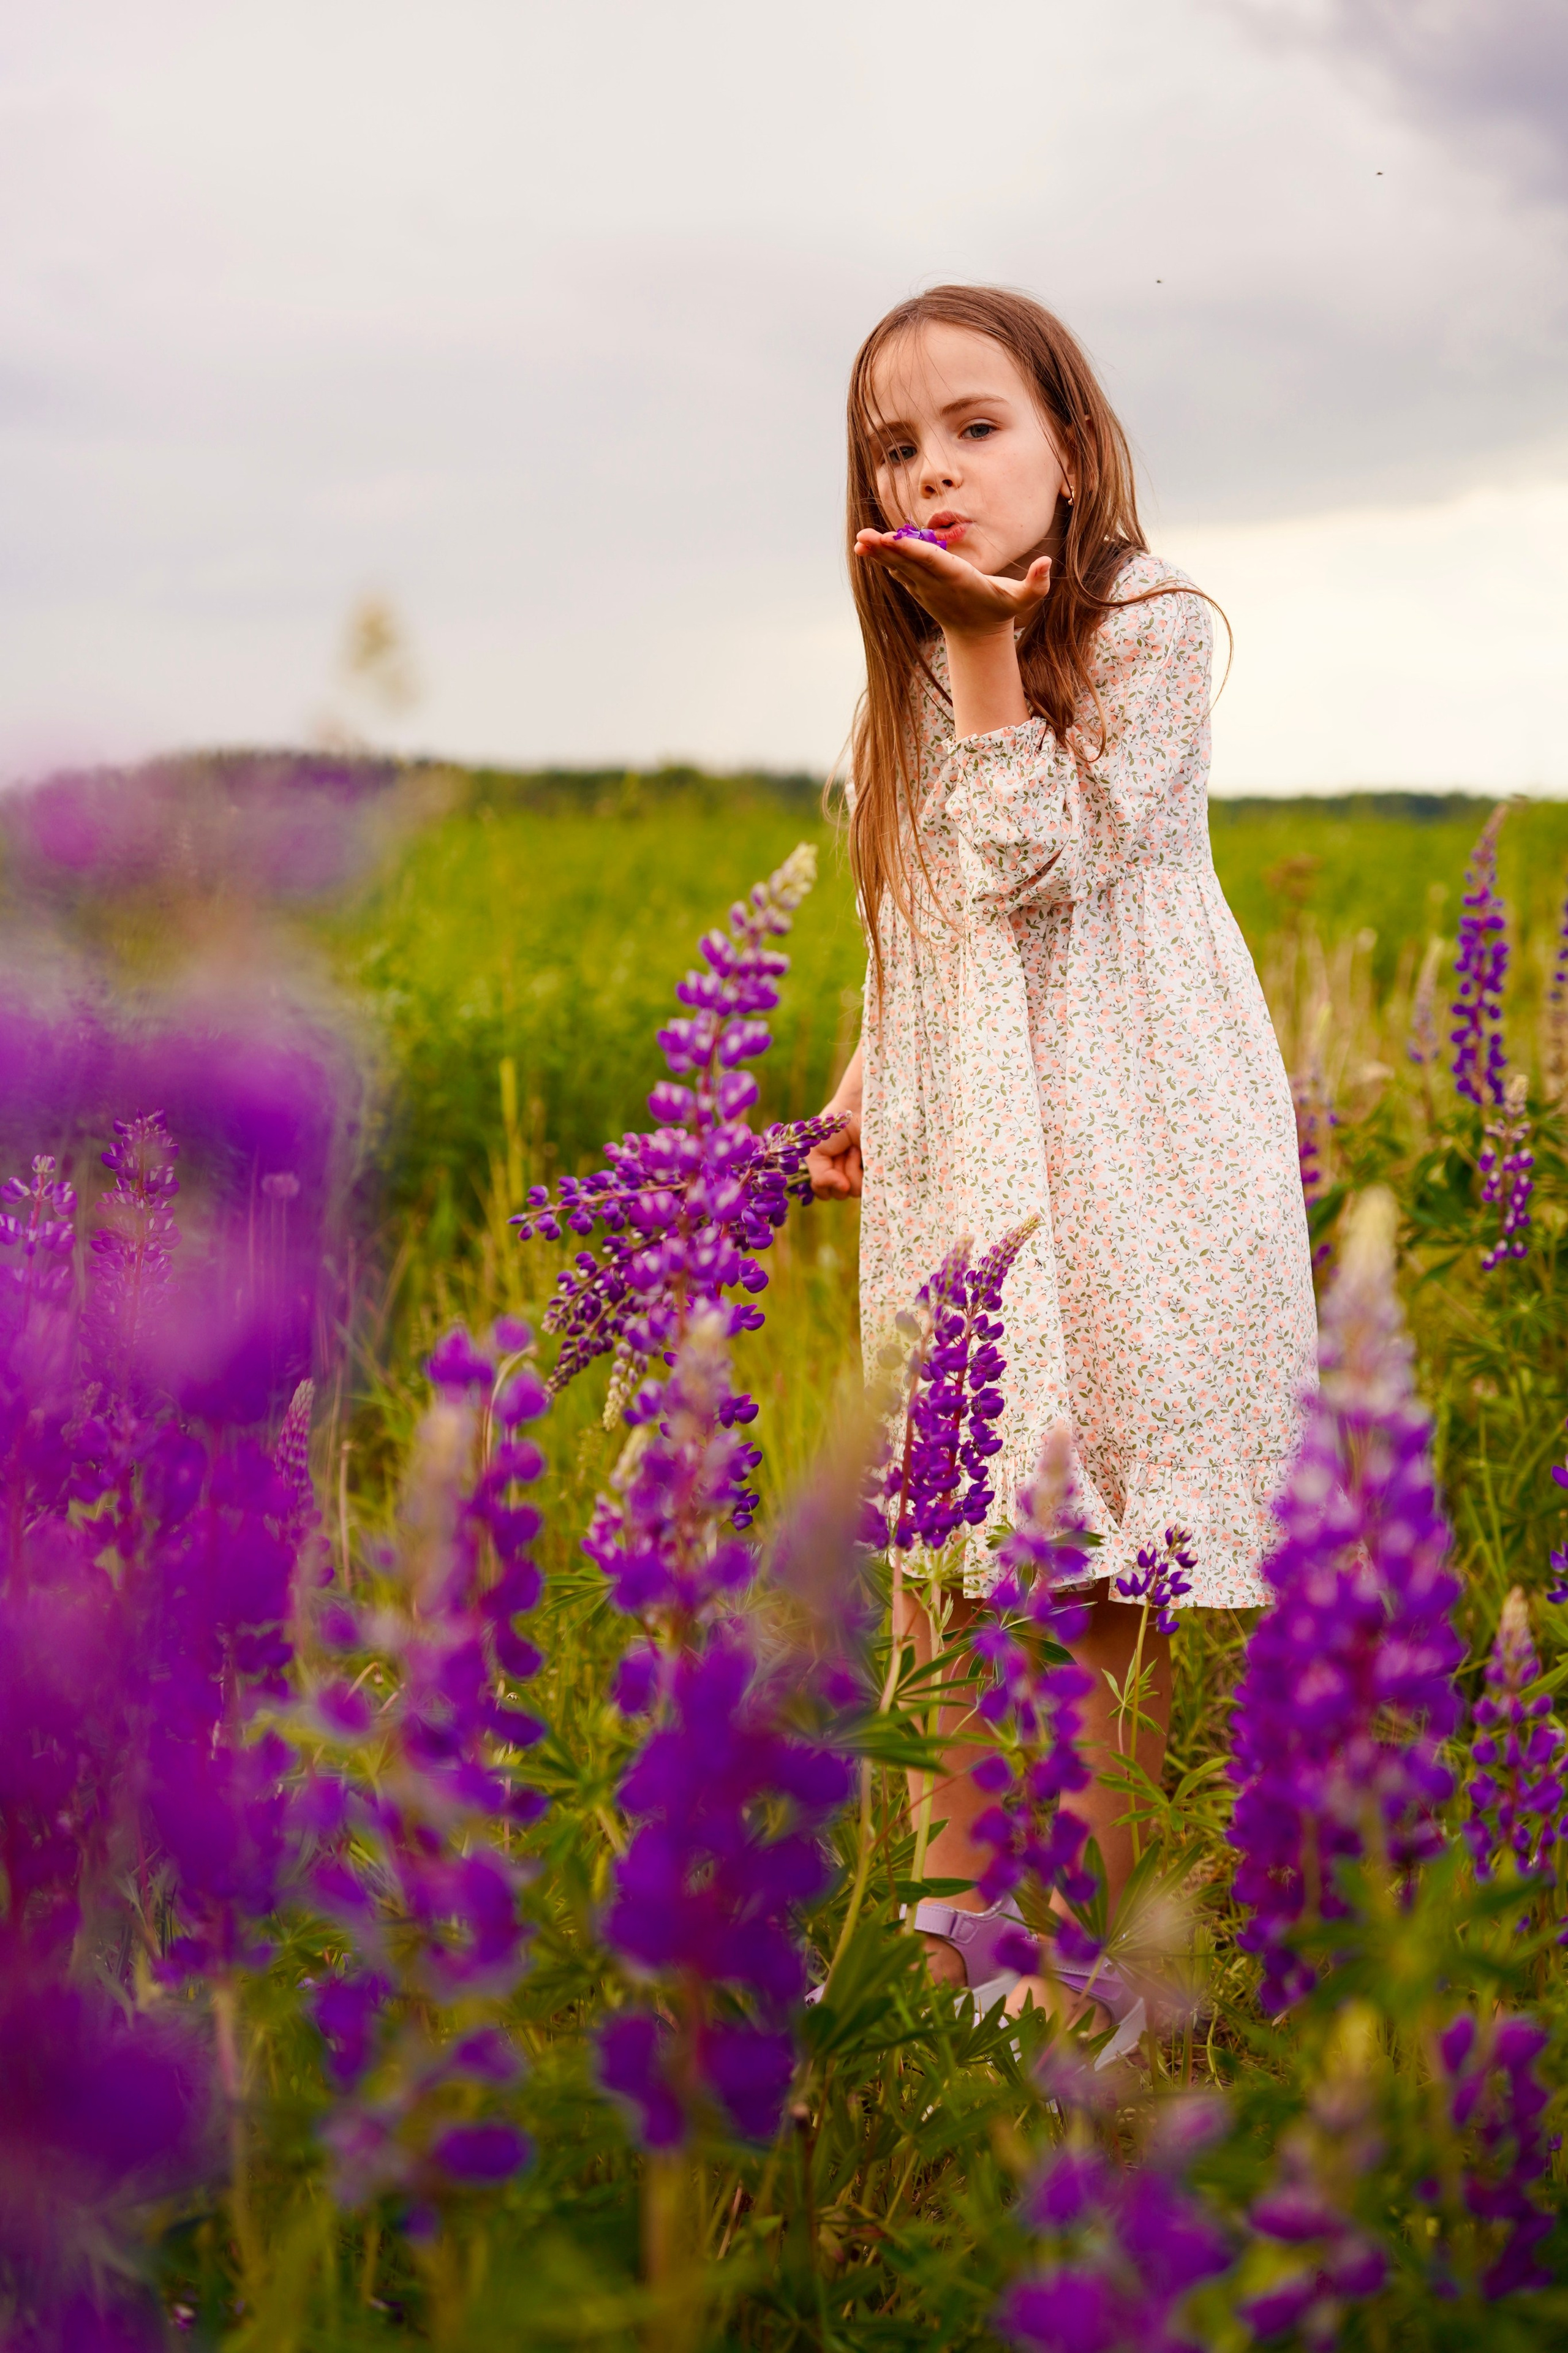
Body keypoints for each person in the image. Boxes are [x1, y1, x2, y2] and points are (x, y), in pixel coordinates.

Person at [805, 284, 1316, 2021]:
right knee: (952, 1548)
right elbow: (933, 913)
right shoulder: (914, 671)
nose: (934, 469)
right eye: (896, 444)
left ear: (1075, 452)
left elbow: (1035, 863)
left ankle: (1062, 1966)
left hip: (1135, 1164)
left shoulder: (1156, 626)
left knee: (1104, 1566)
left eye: (977, 427)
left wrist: (976, 644)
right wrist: (868, 1076)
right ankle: (948, 1948)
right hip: (976, 1158)